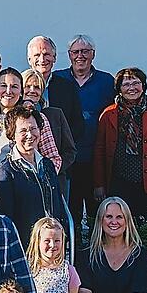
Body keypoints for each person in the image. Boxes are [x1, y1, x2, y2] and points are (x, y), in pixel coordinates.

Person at [54, 35, 114, 248]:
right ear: (69, 55)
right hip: (67, 159)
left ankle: (99, 256)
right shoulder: (57, 80)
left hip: (96, 158)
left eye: (85, 51)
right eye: (75, 52)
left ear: (93, 54)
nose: (80, 56)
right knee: (71, 213)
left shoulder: (107, 81)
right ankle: (75, 259)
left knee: (99, 213)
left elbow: (126, 100)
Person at [93, 67, 147, 221]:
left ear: (143, 86)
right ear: (119, 89)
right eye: (126, 84)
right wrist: (99, 184)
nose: (131, 88)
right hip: (118, 182)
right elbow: (100, 151)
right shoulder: (108, 114)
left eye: (136, 83)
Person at [0, 105, 69, 249]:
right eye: (23, 131)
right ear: (12, 135)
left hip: (53, 247)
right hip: (27, 248)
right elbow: (7, 219)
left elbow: (59, 205)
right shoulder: (6, 171)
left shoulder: (47, 165)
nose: (30, 135)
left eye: (33, 129)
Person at [0, 68, 63, 172]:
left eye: (14, 87)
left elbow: (53, 159)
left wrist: (41, 182)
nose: (8, 91)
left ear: (21, 92)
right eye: (3, 86)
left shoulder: (34, 118)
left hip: (26, 185)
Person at [26, 36, 84, 146]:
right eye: (37, 55)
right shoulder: (19, 85)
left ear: (54, 58)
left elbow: (77, 125)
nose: (42, 59)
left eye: (46, 54)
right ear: (29, 59)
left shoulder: (67, 87)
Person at [20, 68, 76, 179]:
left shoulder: (55, 114)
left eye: (37, 87)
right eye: (27, 86)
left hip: (56, 179)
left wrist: (54, 169)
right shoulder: (14, 116)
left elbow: (70, 151)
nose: (32, 90)